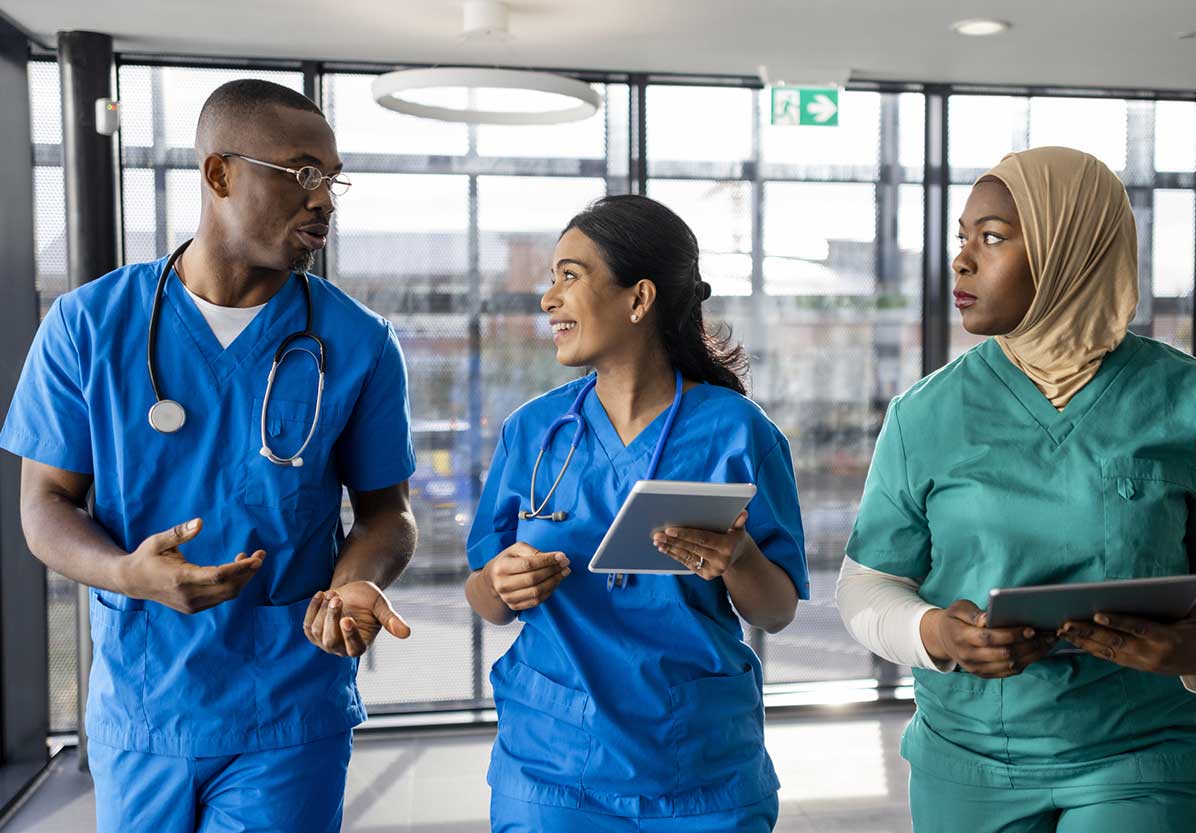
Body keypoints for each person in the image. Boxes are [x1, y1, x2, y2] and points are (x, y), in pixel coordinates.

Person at [0, 79, 418, 833]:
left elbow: (390, 513)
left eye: (332, 179)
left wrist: (354, 584)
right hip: (144, 700)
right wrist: (127, 573)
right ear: (219, 174)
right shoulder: (87, 326)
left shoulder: (360, 343)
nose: (324, 199)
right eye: (302, 173)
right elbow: (43, 505)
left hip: (290, 699)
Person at [835, 146, 1196, 833]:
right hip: (970, 762)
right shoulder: (924, 413)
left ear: (1070, 248)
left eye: (991, 238)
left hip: (1144, 755)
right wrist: (937, 632)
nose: (961, 260)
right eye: (963, 238)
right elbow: (866, 588)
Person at [464, 195, 809, 832]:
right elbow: (486, 597)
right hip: (552, 765)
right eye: (551, 278)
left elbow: (776, 610)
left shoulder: (738, 433)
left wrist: (737, 558)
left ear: (639, 298)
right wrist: (498, 582)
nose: (548, 298)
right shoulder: (534, 433)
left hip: (700, 763)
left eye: (570, 275)